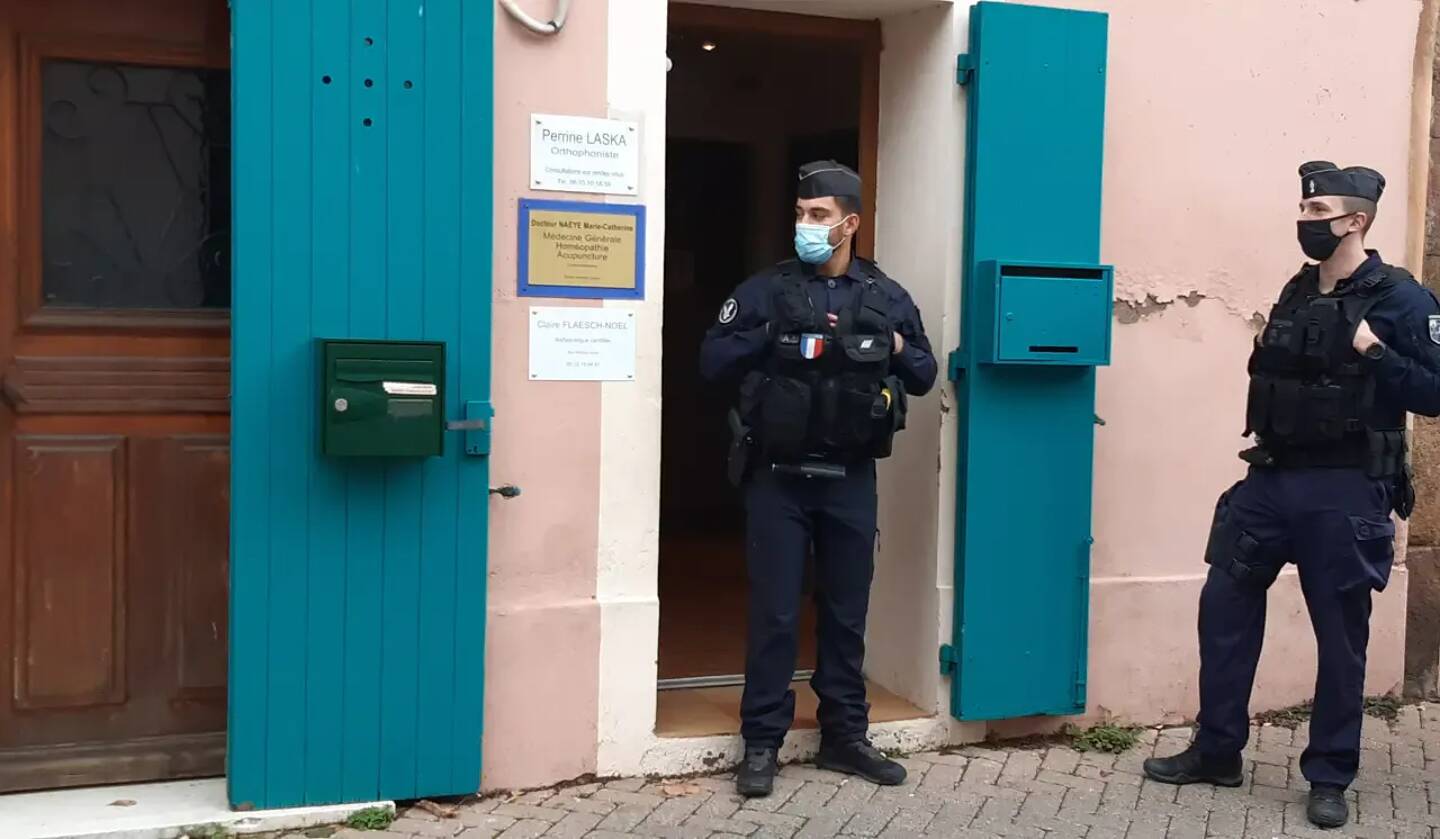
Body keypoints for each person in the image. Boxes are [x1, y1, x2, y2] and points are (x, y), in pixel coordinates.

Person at [1144, 161, 1440, 829]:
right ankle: (1217, 749)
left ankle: (1330, 773)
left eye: (1319, 213)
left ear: (1356, 220)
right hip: (1272, 480)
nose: (1305, 222)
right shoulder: (1298, 290)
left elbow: (1435, 391)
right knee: (1223, 603)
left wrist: (1375, 354)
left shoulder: (1401, 298)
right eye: (1304, 211)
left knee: (1341, 637)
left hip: (1346, 487)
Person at [699, 160, 937, 797]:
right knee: (775, 615)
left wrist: (890, 346)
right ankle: (762, 744)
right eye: (801, 214)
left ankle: (845, 737)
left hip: (849, 479)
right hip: (777, 479)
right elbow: (712, 359)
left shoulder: (885, 296)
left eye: (818, 216)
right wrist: (770, 337)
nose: (805, 226)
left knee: (844, 612)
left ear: (849, 223)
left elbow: (924, 371)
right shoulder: (764, 291)